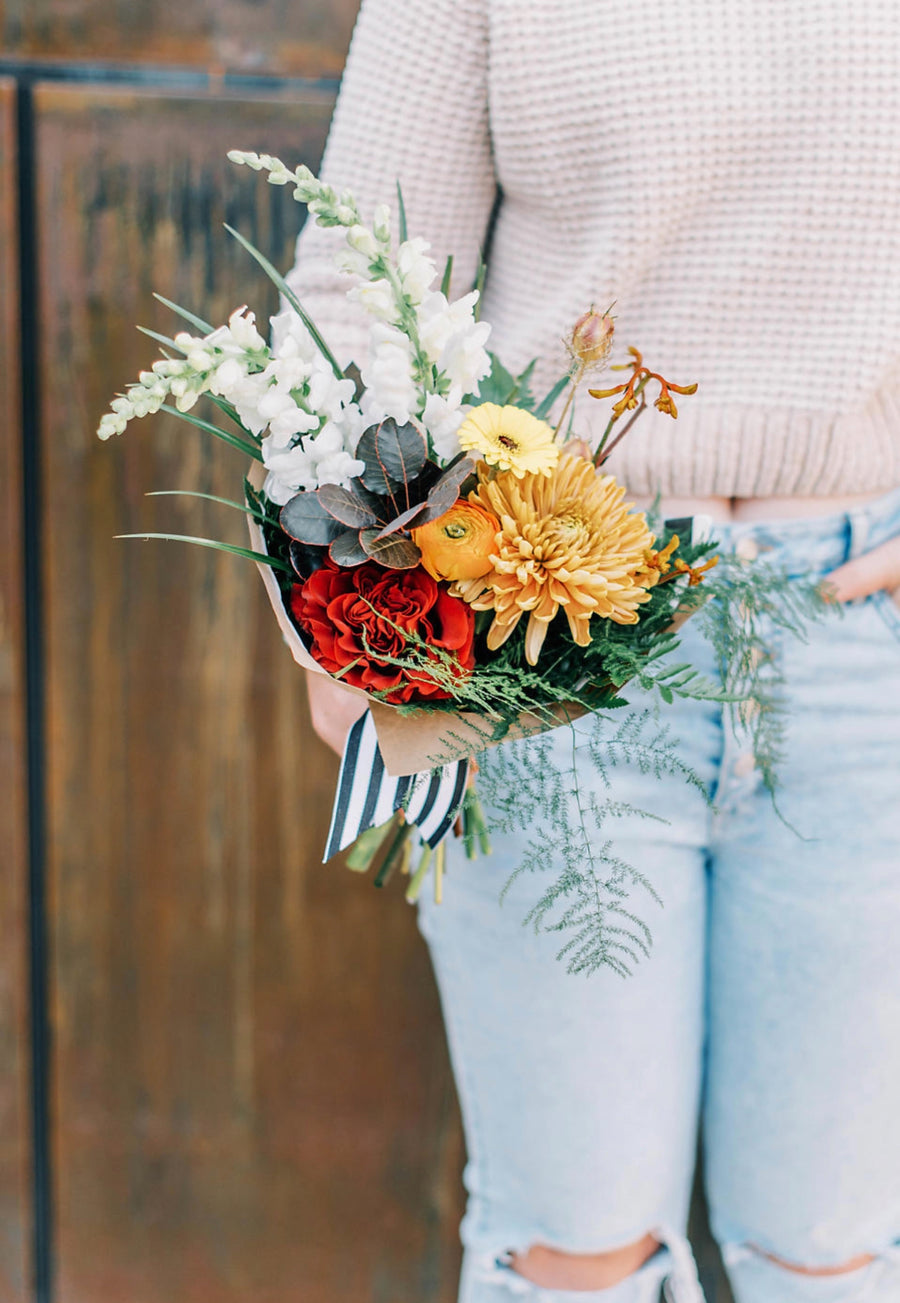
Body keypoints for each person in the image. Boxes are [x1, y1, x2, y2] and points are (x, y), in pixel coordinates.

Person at [286, 1, 900, 1299]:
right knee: (574, 1254)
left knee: (832, 1256)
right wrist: (348, 609)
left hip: (868, 645)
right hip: (538, 628)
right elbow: (362, 280)